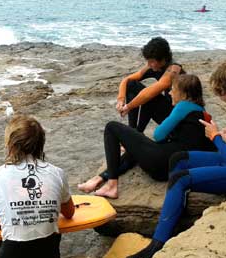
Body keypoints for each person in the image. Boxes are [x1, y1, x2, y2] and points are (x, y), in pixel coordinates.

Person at [126, 63, 226, 258]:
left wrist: (215, 136)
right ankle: (175, 210)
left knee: (180, 179)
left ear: (223, 92)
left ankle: (157, 245)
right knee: (178, 159)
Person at [0, 114, 75, 258]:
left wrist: (1, 217)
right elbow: (69, 213)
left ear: (10, 145)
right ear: (41, 143)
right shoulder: (57, 173)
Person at [78, 74, 216, 199]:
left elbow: (158, 135)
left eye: (173, 90)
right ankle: (100, 178)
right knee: (135, 147)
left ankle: (112, 185)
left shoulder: (183, 106)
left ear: (184, 95)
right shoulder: (203, 113)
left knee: (111, 127)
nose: (169, 93)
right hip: (170, 168)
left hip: (161, 163)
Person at [116, 36, 181, 133]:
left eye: (152, 61)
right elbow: (126, 80)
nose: (149, 64)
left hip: (179, 117)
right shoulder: (153, 66)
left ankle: (135, 134)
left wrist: (128, 107)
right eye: (148, 61)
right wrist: (120, 100)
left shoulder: (174, 69)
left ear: (163, 59)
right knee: (131, 85)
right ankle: (133, 132)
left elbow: (149, 93)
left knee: (148, 97)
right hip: (168, 112)